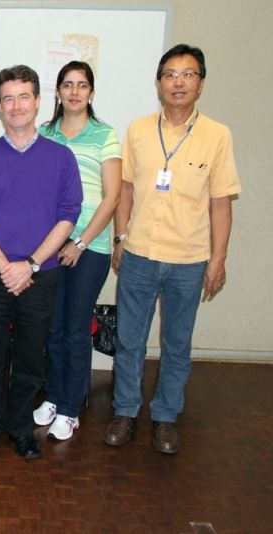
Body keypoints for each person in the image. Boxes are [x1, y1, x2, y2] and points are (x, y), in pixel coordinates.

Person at [104, 44, 241, 455]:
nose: (178, 82)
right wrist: (120, 238)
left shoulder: (217, 135)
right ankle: (126, 411)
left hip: (189, 259)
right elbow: (125, 188)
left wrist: (218, 259)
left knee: (177, 344)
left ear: (200, 83)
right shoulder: (139, 130)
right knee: (129, 341)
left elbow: (221, 202)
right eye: (170, 74)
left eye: (188, 74)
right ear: (158, 83)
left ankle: (165, 418)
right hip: (140, 254)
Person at [0, 65, 82, 460]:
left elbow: (69, 214)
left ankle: (20, 429)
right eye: (8, 98)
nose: (16, 105)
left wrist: (29, 264)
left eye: (24, 96)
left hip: (40, 274)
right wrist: (5, 266)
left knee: (31, 358)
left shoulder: (61, 157)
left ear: (38, 102)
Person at [33, 61, 122, 440]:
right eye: (67, 84)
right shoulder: (44, 134)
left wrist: (81, 241)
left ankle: (70, 408)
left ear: (91, 92)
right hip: (51, 244)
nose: (74, 91)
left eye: (81, 85)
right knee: (51, 327)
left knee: (74, 328)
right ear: (57, 92)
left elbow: (112, 195)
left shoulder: (105, 135)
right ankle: (53, 396)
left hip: (91, 246)